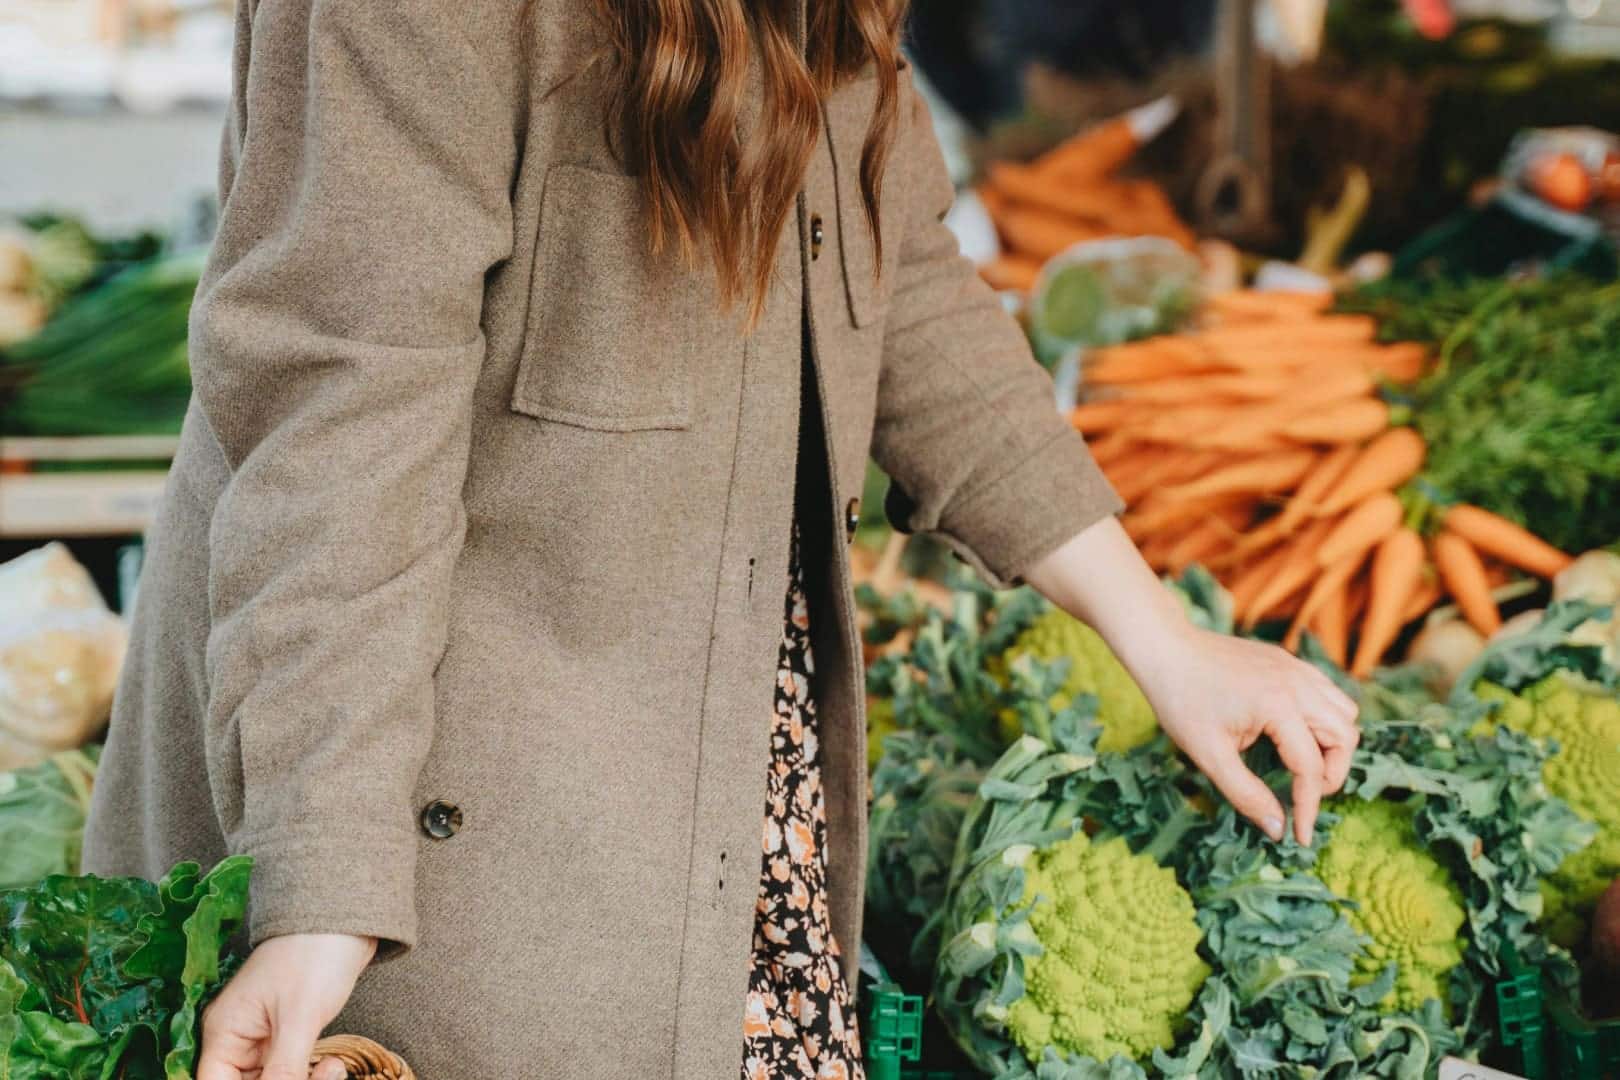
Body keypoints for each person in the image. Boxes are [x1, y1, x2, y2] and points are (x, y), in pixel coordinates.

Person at [80, 1, 1360, 1078]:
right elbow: (340, 434)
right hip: (435, 825)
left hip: (725, 787)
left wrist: (1164, 637)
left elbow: (899, 278)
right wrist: (319, 880)